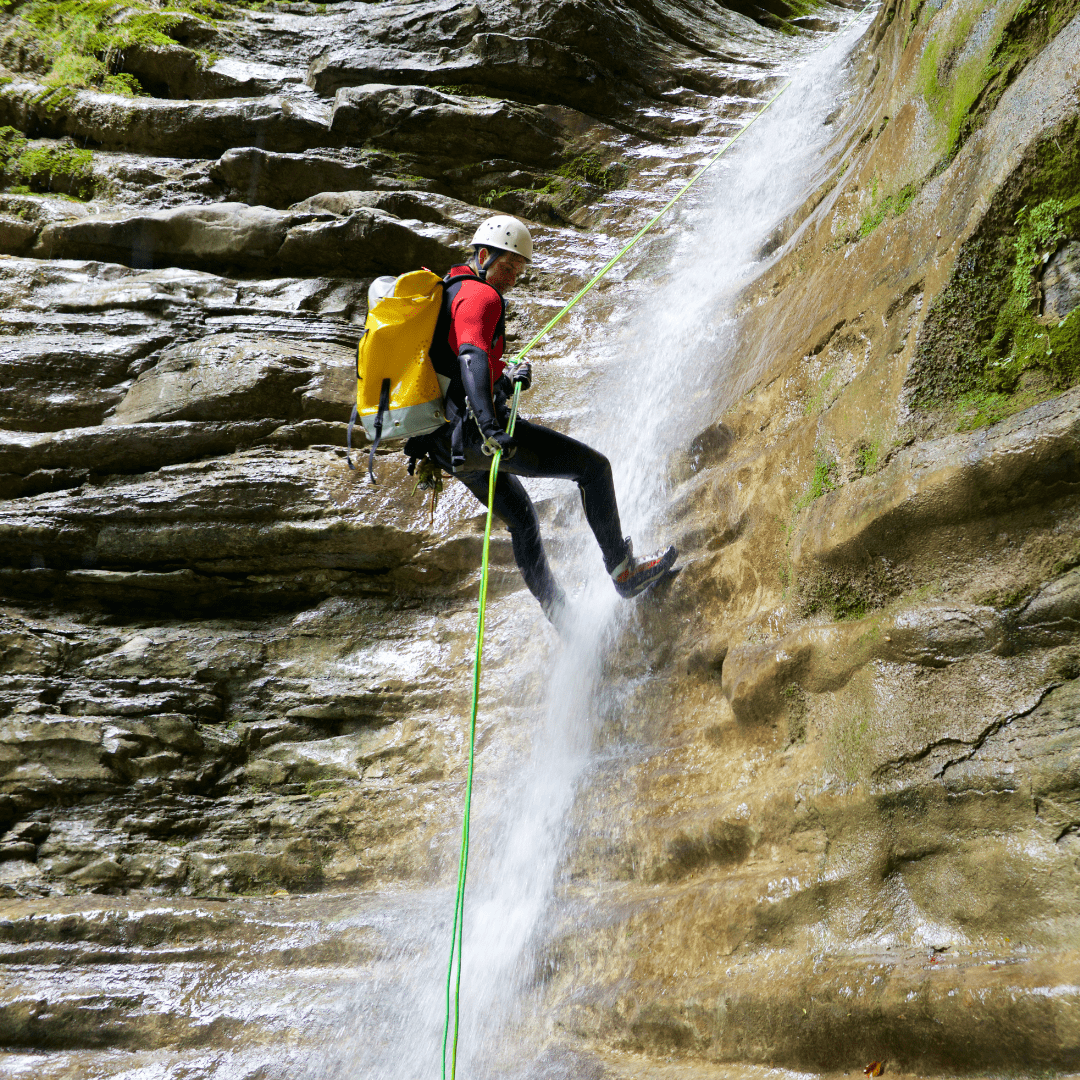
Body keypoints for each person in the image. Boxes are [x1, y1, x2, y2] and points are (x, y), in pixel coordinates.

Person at [403, 215, 676, 627]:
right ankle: (625, 571)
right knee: (593, 469)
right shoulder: (482, 296)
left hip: (446, 447)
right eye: (507, 266)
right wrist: (492, 426)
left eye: (518, 270)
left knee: (522, 520)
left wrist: (505, 380)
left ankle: (560, 617)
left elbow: (461, 370)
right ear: (482, 256)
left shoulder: (451, 293)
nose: (512, 277)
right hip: (478, 436)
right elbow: (471, 357)